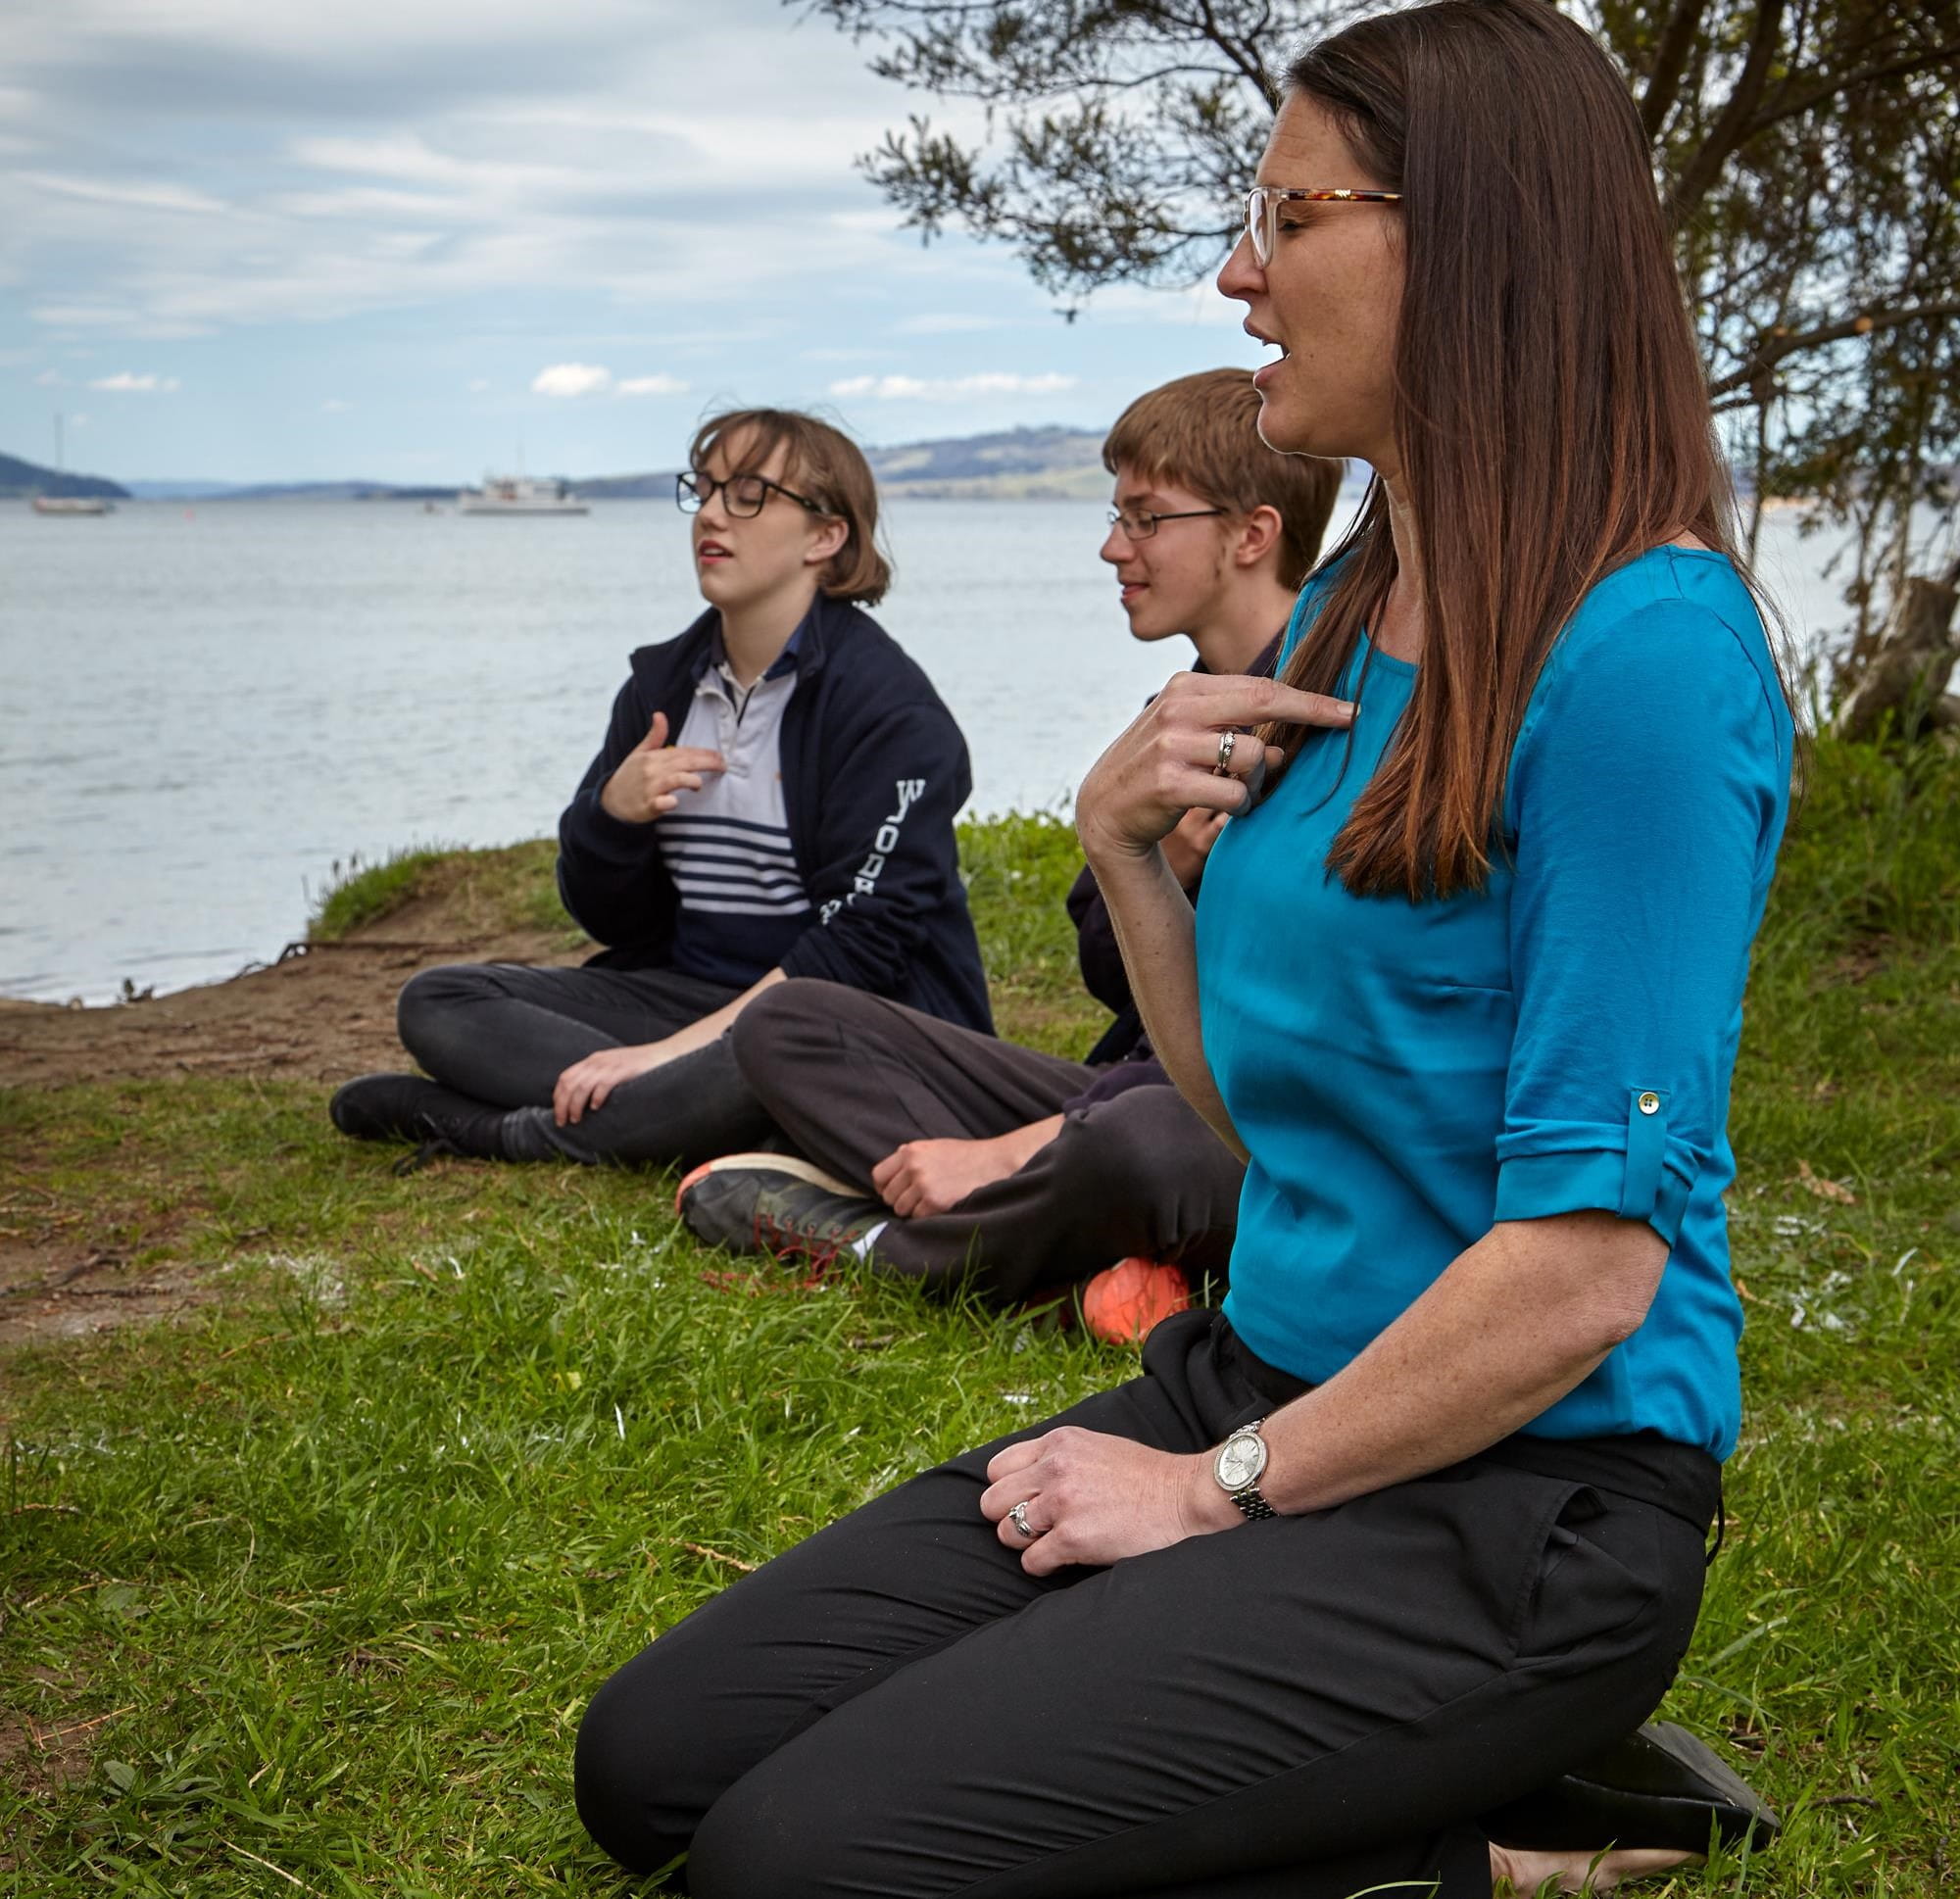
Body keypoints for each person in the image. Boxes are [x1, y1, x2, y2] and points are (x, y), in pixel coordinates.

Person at [572, 3, 1792, 1892]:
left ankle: (1487, 1837)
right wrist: (1128, 855)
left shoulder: (1644, 658)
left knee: (789, 1868)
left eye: (1286, 217)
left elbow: (1582, 1272)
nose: (1239, 272)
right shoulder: (1347, 615)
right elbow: (1256, 1106)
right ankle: (1397, 1782)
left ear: (1461, 239)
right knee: (656, 1766)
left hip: (1516, 1505)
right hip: (1263, 1375)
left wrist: (1205, 1496)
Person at [674, 369, 1343, 1328]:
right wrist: (1166, 869)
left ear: (1250, 534)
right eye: (1116, 515)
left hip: (1226, 1119)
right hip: (1116, 1092)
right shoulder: (1178, 710)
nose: (1114, 547)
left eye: (1145, 519)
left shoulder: (1325, 719)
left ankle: (894, 1247)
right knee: (792, 1026)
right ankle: (1071, 1256)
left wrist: (1010, 1149)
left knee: (1143, 1137)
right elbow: (1106, 970)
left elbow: (1287, 1044)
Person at [327, 409, 991, 1172]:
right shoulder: (662, 687)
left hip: (842, 1024)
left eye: (748, 494)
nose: (710, 513)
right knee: (440, 1002)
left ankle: (498, 1128)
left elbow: (862, 948)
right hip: (690, 1001)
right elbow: (608, 918)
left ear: (825, 537)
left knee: (773, 1062)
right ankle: (709, 1120)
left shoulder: (887, 712)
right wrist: (614, 818)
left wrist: (661, 1057)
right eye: (704, 489)